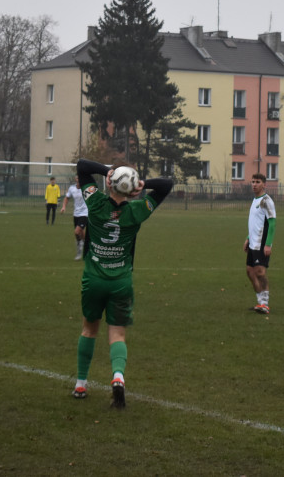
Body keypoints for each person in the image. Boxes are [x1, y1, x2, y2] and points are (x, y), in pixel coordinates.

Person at [71, 159, 173, 408]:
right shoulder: (137, 211)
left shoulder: (94, 203)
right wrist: (143, 184)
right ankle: (117, 376)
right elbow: (167, 184)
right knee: (117, 333)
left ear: (111, 185)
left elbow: (83, 167)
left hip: (94, 279)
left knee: (89, 329)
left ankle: (81, 383)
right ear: (131, 190)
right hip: (121, 281)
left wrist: (109, 171)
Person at [244, 173, 276, 314]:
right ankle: (260, 302)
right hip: (253, 241)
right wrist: (248, 237)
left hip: (261, 242)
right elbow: (255, 223)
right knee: (250, 272)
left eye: (257, 182)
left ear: (264, 184)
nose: (254, 184)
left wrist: (268, 244)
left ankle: (265, 303)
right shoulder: (255, 199)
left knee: (260, 272)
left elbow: (272, 223)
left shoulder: (266, 200)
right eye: (253, 181)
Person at [60, 174, 89, 260]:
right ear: (75, 179)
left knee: (77, 231)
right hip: (76, 213)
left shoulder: (85, 188)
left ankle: (80, 247)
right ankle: (83, 244)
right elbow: (67, 198)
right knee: (81, 232)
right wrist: (63, 207)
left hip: (85, 213)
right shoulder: (72, 188)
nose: (79, 180)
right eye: (77, 178)